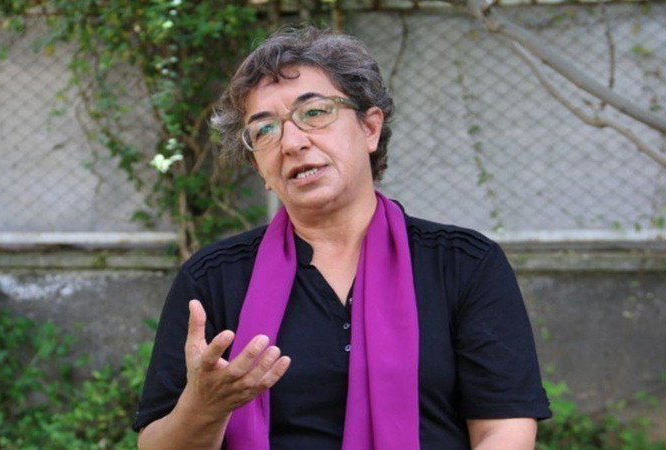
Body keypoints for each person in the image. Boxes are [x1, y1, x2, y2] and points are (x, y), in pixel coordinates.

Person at [134, 26, 551, 449]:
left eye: (314, 113)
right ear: (259, 168)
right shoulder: (214, 278)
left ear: (370, 128)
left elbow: (504, 430)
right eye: (265, 130)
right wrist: (204, 406)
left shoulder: (464, 264)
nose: (292, 142)